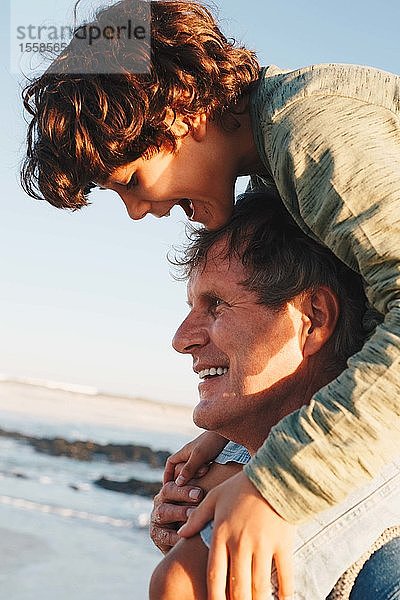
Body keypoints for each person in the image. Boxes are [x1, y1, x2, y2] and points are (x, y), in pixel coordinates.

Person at [20, 1, 400, 596]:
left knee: (191, 581)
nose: (139, 211)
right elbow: (363, 319)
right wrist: (231, 435)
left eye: (133, 182)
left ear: (180, 113)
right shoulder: (275, 160)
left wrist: (277, 484)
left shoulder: (312, 129)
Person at [149, 192, 400, 599]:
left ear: (313, 319)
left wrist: (196, 557)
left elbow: (181, 587)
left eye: (216, 306)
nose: (182, 339)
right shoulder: (222, 465)